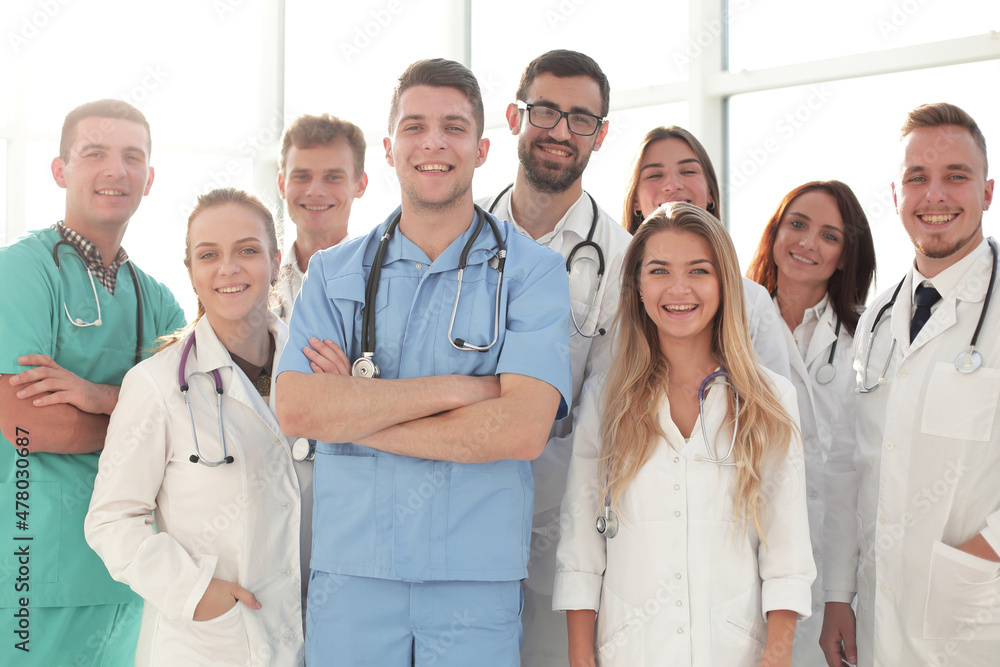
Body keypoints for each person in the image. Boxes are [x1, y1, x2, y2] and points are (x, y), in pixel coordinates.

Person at [275, 59, 572, 666]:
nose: (433, 143)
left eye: (454, 128)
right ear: (388, 148)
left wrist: (356, 413)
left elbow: (520, 429)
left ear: (483, 148)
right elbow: (298, 407)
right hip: (352, 576)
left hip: (475, 580)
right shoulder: (334, 273)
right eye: (414, 127)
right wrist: (464, 392)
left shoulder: (532, 272)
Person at [553, 202, 815, 667]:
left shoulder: (770, 399)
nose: (679, 289)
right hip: (631, 651)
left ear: (724, 284)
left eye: (698, 270)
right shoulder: (604, 398)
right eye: (659, 270)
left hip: (735, 652)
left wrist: (776, 658)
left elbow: (787, 551)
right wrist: (580, 658)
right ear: (636, 286)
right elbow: (580, 549)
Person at [85, 188, 309, 665]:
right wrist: (196, 592)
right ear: (190, 271)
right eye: (209, 255)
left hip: (313, 631)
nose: (228, 268)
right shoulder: (156, 384)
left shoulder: (315, 370)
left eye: (247, 250)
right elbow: (110, 521)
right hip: (210, 643)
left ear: (274, 261)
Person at [0, 99, 186, 666]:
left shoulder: (158, 299)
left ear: (150, 179)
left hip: (131, 570)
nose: (116, 170)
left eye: (133, 157)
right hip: (37, 564)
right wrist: (144, 425)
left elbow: (199, 416)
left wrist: (99, 398)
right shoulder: (21, 272)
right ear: (60, 169)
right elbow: (26, 422)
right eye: (95, 153)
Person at [820, 103, 1000, 666]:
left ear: (988, 192)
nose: (935, 195)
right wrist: (836, 596)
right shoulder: (878, 318)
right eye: (917, 178)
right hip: (878, 615)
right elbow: (852, 466)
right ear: (897, 196)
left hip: (976, 613)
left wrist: (983, 556)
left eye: (956, 177)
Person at [476, 49, 633, 666]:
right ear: (516, 117)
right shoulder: (458, 238)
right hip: (455, 510)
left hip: (560, 531)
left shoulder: (622, 262)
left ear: (600, 133)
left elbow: (607, 413)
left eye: (580, 118)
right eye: (545, 111)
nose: (560, 131)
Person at [746, 181, 876, 667]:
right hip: (750, 551)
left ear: (845, 256)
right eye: (797, 224)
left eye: (829, 235)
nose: (807, 243)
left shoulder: (868, 333)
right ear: (775, 231)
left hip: (836, 562)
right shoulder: (731, 319)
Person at [622, 126, 790, 379]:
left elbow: (776, 399)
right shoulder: (606, 293)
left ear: (711, 192)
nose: (672, 185)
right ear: (634, 200)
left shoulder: (753, 300)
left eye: (688, 171)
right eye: (655, 175)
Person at [273, 113, 368, 322]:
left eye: (333, 177)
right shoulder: (261, 282)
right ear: (282, 185)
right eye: (302, 176)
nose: (315, 191)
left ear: (360, 184)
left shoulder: (381, 282)